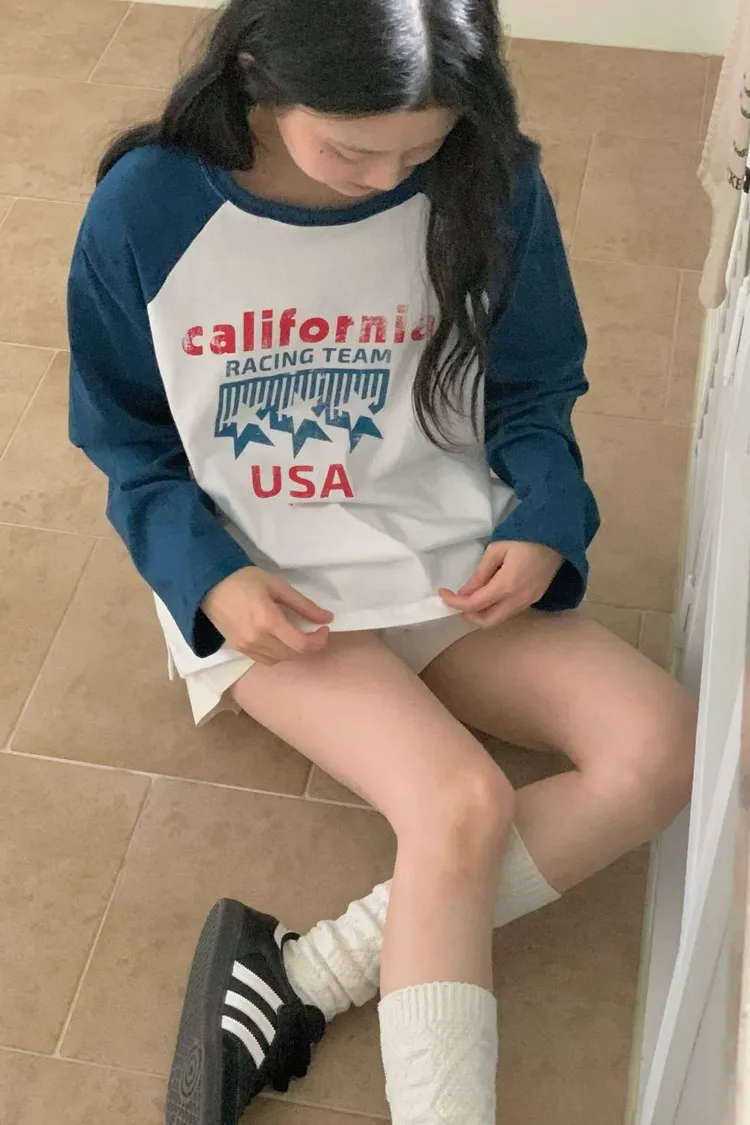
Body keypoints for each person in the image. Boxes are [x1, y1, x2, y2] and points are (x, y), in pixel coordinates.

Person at [67, 0, 697, 1122]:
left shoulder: (491, 181)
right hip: (266, 574)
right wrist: (210, 578)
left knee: (661, 749)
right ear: (256, 70)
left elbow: (536, 387)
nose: (389, 178)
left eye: (421, 149)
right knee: (460, 803)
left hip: (439, 539)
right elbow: (126, 439)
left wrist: (546, 514)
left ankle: (310, 972)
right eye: (353, 149)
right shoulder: (149, 206)